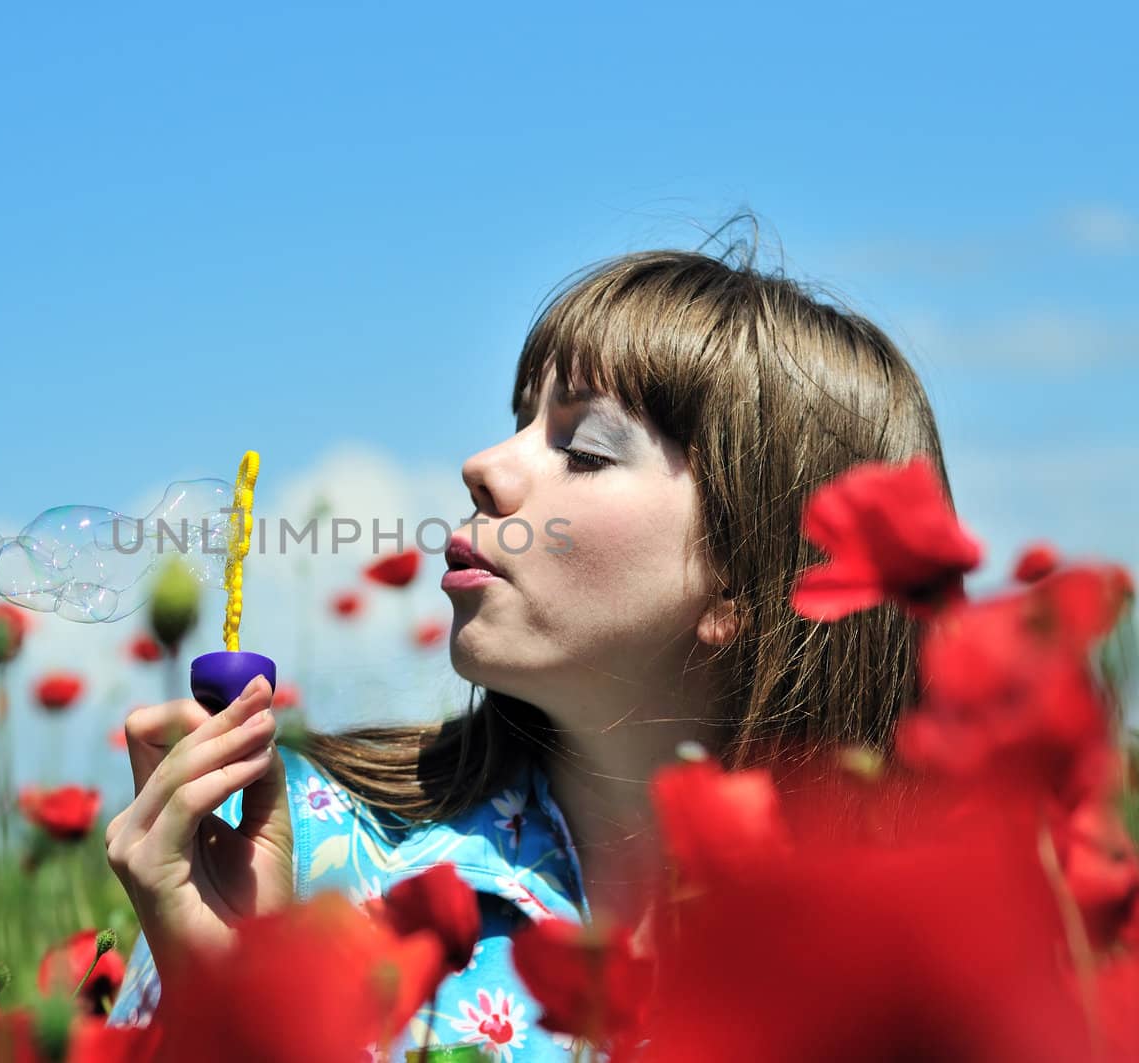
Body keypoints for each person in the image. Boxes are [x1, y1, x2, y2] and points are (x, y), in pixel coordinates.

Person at [103, 238, 952, 1059]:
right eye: (519, 421)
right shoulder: (307, 858)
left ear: (740, 581)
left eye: (583, 450)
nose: (482, 465)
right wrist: (229, 1000)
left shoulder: (908, 964)